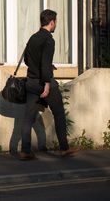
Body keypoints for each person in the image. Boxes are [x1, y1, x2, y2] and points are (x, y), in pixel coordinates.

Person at [20, 9, 76, 160]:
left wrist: (39, 68)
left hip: (31, 82)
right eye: (55, 22)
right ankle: (64, 148)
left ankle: (25, 151)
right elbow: (45, 64)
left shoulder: (33, 38)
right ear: (52, 22)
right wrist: (46, 84)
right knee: (59, 114)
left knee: (28, 117)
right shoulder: (49, 40)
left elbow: (26, 60)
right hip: (44, 83)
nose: (55, 24)